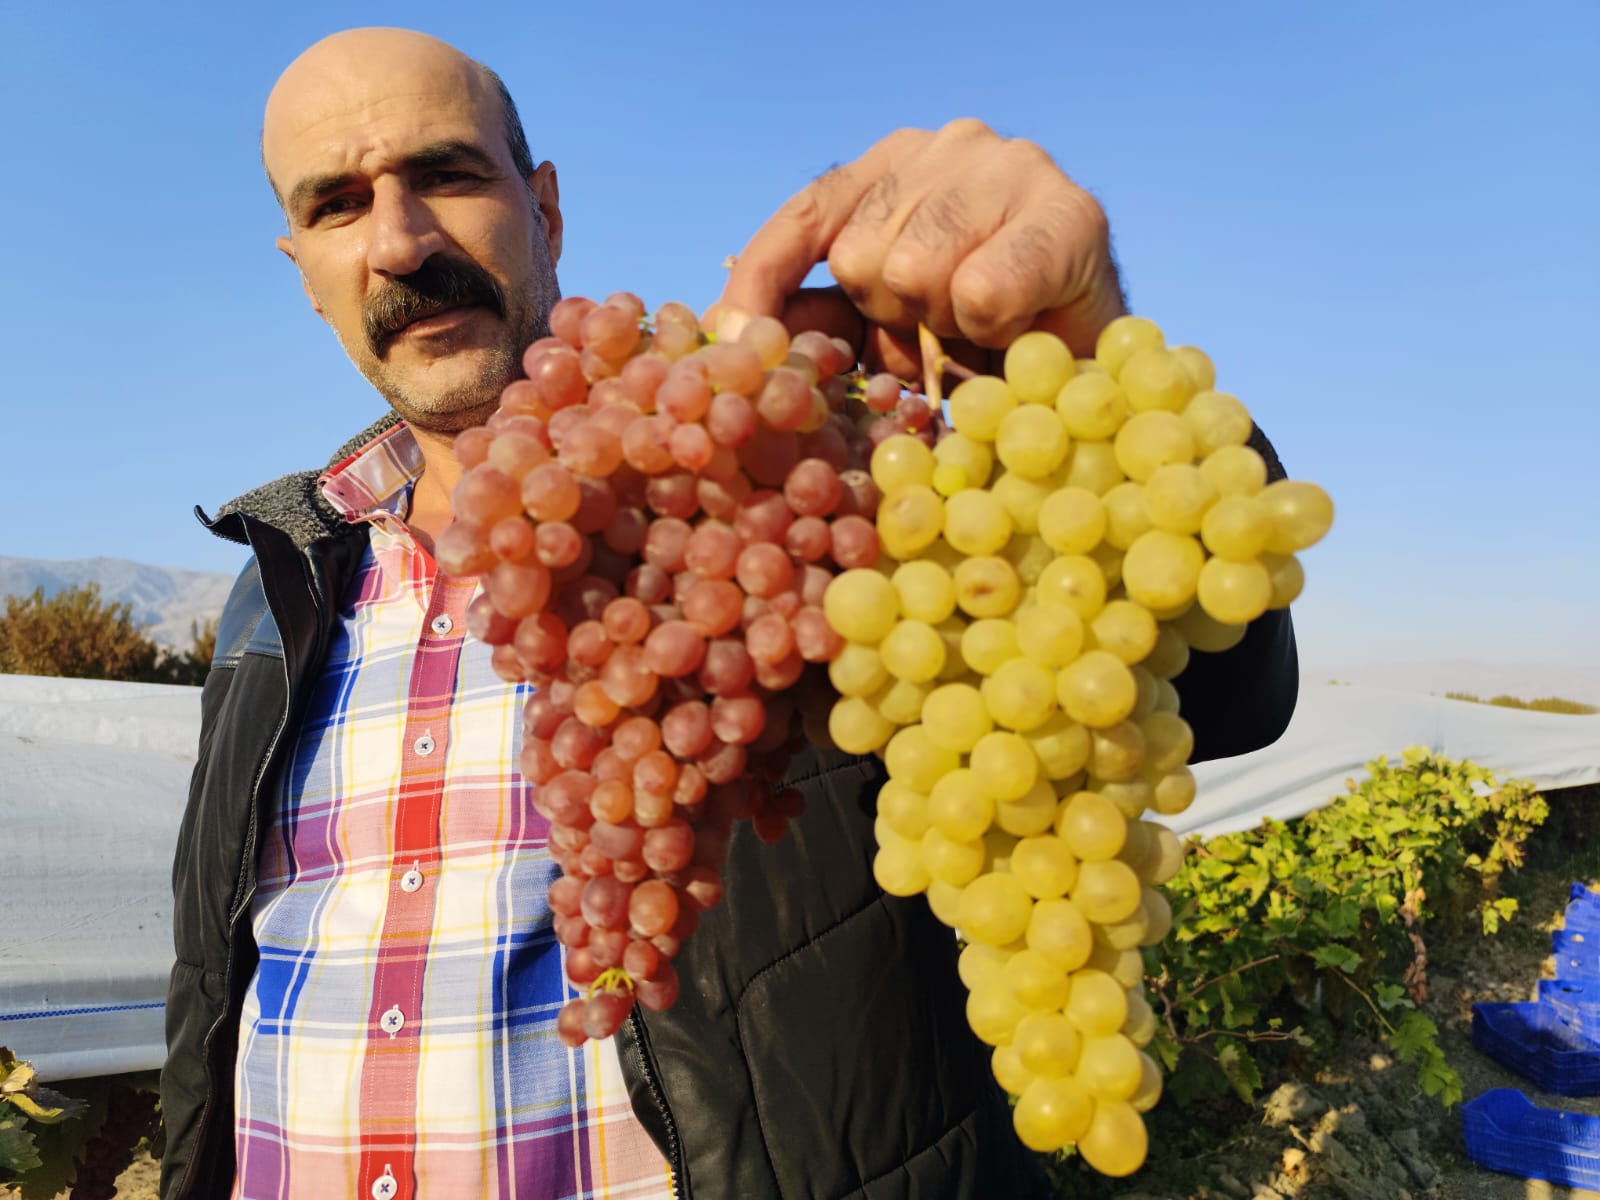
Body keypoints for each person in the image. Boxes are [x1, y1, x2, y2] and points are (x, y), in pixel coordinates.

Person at [160, 26, 1299, 1200]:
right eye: (339, 204)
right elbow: (215, 987)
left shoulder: (772, 508)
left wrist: (1075, 379)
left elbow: (1209, 680)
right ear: (304, 270)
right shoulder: (277, 582)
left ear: (544, 211)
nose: (400, 239)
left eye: (448, 174)